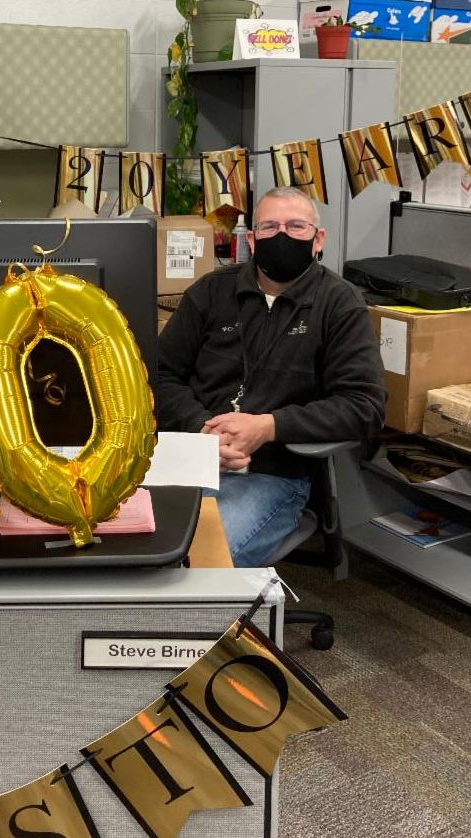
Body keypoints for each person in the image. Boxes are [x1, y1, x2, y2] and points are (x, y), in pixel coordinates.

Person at [157, 186, 386, 567]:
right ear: (251, 240)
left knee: (200, 560)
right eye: (269, 227)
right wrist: (201, 427)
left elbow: (365, 406)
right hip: (189, 458)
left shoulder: (339, 304)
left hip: (271, 474)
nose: (282, 235)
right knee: (128, 542)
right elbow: (160, 374)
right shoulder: (211, 292)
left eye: (296, 226)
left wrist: (268, 427)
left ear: (318, 239)